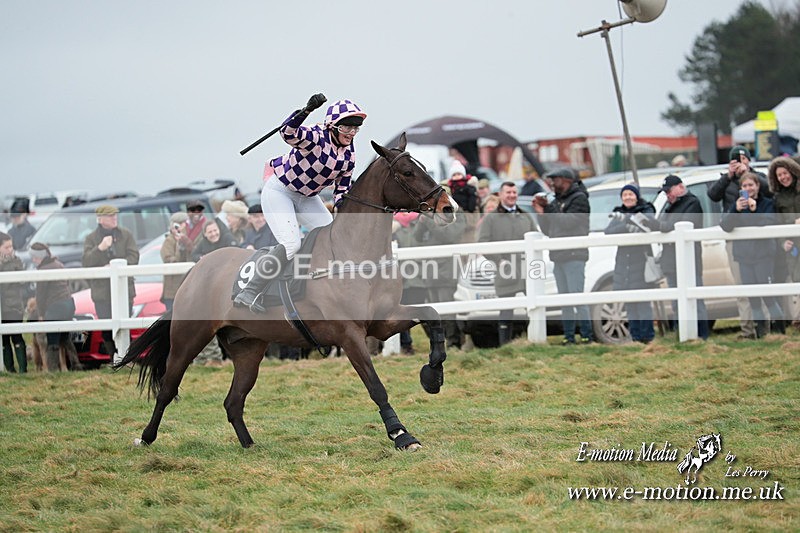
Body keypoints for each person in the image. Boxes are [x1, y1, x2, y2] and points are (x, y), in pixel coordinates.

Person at [235, 93, 367, 312]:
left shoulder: (349, 155)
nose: (351, 133)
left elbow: (341, 190)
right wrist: (305, 111)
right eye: (346, 128)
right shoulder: (316, 135)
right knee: (291, 244)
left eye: (355, 129)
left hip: (307, 197)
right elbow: (286, 132)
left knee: (333, 237)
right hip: (280, 192)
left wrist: (347, 216)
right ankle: (249, 290)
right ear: (333, 126)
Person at [708, 145, 770, 340]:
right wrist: (728, 176)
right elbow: (713, 195)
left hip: (759, 240)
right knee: (742, 287)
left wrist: (749, 174)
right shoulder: (726, 181)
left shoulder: (758, 178)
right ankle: (747, 330)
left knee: (762, 286)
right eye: (736, 161)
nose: (740, 164)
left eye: (743, 160)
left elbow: (769, 191)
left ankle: (766, 330)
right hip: (735, 238)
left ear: (749, 161)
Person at [532, 169, 593, 345]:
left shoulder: (580, 199)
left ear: (566, 180)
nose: (551, 184)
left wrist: (549, 207)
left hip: (575, 254)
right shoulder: (558, 200)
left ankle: (587, 335)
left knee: (577, 297)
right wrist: (541, 212)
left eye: (554, 180)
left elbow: (568, 222)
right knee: (563, 299)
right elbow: (548, 229)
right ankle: (569, 337)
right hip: (558, 255)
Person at [644, 175, 709, 339]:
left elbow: (681, 228)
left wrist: (657, 225)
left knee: (695, 301)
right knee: (677, 302)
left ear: (680, 187)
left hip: (688, 261)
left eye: (669, 191)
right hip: (671, 261)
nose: (668, 195)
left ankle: (701, 335)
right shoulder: (670, 206)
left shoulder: (692, 203)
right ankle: (684, 334)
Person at [720, 172, 784, 337]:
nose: (748, 188)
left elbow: (768, 222)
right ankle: (761, 335)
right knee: (753, 299)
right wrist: (736, 209)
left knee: (768, 297)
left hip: (764, 256)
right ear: (741, 188)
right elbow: (725, 226)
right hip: (744, 257)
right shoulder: (737, 206)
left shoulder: (768, 203)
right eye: (745, 186)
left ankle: (779, 333)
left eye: (751, 185)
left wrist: (754, 211)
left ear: (757, 186)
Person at [478, 182, 538, 345]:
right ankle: (505, 345)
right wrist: (498, 261)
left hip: (526, 269)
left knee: (532, 307)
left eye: (514, 192)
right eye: (508, 192)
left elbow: (537, 238)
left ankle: (533, 341)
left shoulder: (525, 215)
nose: (512, 195)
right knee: (506, 309)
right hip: (505, 270)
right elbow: (483, 242)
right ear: (500, 195)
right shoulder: (491, 219)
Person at [81, 204, 139, 356]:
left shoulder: (126, 235)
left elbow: (134, 257)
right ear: (100, 219)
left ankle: (126, 357)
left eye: (115, 215)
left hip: (124, 290)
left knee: (125, 326)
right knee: (107, 328)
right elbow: (86, 262)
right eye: (109, 215)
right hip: (102, 293)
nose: (114, 218)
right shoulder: (91, 239)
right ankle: (113, 357)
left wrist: (117, 266)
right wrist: (99, 248)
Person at [604, 185, 657, 343]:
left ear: (636, 196)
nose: (627, 197)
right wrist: (627, 226)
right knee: (629, 304)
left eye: (630, 194)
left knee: (642, 303)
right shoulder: (618, 212)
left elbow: (646, 224)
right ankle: (635, 338)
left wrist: (626, 221)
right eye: (625, 195)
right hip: (623, 263)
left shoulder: (646, 209)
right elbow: (608, 231)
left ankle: (647, 338)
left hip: (641, 262)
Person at [413, 196, 467, 349]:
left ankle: (454, 342)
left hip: (447, 266)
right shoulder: (431, 213)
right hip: (430, 266)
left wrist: (429, 221)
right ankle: (440, 342)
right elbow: (416, 238)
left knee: (447, 305)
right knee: (434, 308)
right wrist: (422, 222)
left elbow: (449, 236)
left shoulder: (456, 213)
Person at [29, 243, 80, 371]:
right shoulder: (58, 264)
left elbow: (40, 295)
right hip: (69, 304)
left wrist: (41, 314)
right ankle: (75, 364)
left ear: (39, 257)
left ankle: (52, 370)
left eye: (34, 257)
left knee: (53, 340)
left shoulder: (43, 270)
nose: (33, 260)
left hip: (55, 307)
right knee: (65, 337)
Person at [768, 156, 800, 329]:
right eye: (779, 175)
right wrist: (783, 241)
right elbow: (777, 223)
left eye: (785, 173)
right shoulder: (778, 198)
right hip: (793, 246)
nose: (783, 177)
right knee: (796, 279)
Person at [392, 212, 425, 354]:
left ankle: (437, 340)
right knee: (401, 312)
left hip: (420, 276)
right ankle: (406, 345)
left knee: (422, 311)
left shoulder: (421, 222)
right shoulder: (391, 225)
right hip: (400, 278)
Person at [0, 232, 27, 373]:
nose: (10, 250)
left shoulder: (16, 261)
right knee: (4, 340)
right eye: (6, 247)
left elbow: (21, 280)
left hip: (14, 306)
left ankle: (23, 369)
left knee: (17, 336)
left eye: (11, 246)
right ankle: (9, 369)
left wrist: (7, 263)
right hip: (1, 308)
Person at [160, 212, 193, 312]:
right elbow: (169, 259)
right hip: (172, 291)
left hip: (188, 288)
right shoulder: (169, 241)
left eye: (184, 224)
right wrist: (179, 247)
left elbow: (193, 256)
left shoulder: (190, 239)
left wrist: (186, 243)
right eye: (178, 225)